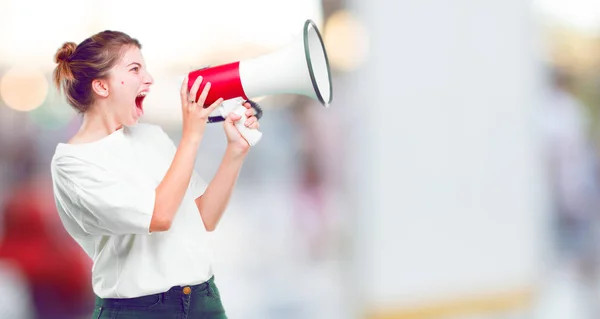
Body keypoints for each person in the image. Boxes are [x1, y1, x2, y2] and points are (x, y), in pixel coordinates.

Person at [49, 30, 260, 318]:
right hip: (138, 310)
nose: (148, 78)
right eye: (134, 69)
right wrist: (192, 135)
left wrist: (235, 151)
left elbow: (203, 217)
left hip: (203, 299)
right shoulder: (72, 163)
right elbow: (159, 216)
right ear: (101, 86)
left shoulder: (152, 136)